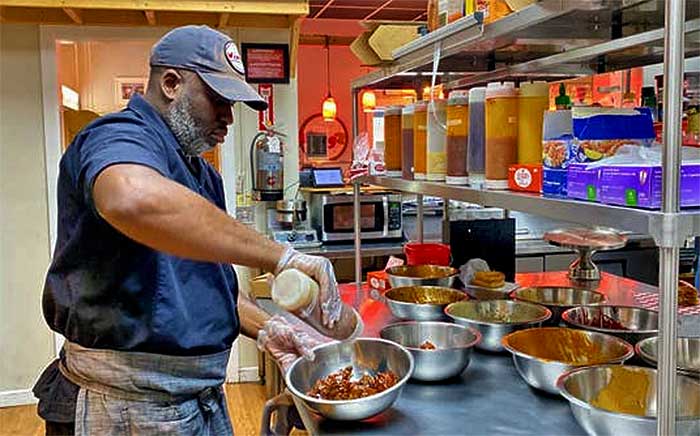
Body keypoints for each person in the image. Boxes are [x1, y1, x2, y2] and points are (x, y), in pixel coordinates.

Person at [33, 25, 341, 436]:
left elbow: (208, 287)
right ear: (172, 83)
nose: (229, 117)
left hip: (190, 398)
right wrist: (281, 256)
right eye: (218, 100)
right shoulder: (116, 135)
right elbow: (130, 198)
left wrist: (267, 329)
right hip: (126, 406)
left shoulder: (203, 175)